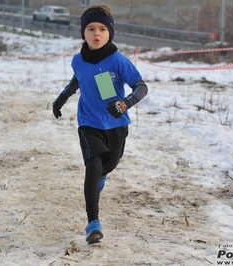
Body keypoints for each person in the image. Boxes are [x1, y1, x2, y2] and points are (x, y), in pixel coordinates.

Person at [52, 4, 148, 244]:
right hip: (88, 123)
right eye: (91, 28)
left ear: (110, 33)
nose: (97, 33)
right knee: (92, 168)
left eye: (103, 29)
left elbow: (141, 87)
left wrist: (124, 104)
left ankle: (102, 176)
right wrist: (62, 98)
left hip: (116, 124)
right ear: (83, 33)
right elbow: (78, 78)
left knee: (108, 165)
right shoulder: (78, 60)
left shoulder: (117, 60)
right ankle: (93, 223)